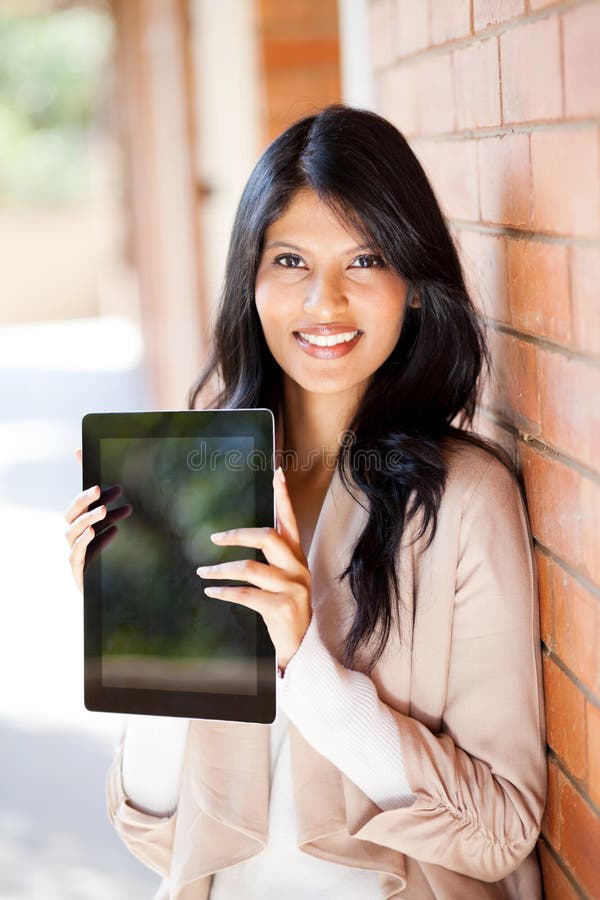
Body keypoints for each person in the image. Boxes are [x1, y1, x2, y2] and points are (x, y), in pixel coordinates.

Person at [64, 103, 547, 899]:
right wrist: (138, 630)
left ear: (416, 286)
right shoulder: (198, 475)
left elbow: (498, 834)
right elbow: (159, 834)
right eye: (290, 261)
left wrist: (300, 660)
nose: (324, 302)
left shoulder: (464, 499)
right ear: (250, 280)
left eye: (364, 261)